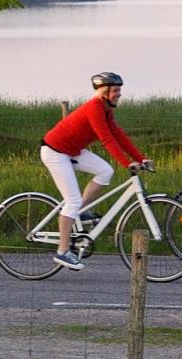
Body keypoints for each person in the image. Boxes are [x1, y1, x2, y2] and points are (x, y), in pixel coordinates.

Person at [41, 71, 150, 270]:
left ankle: (79, 211)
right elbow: (106, 139)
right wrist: (127, 164)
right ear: (104, 91)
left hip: (72, 150)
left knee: (105, 171)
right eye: (115, 90)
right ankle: (63, 251)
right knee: (71, 200)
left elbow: (118, 135)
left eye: (119, 90)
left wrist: (140, 158)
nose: (119, 94)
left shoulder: (106, 110)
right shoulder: (94, 108)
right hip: (55, 152)